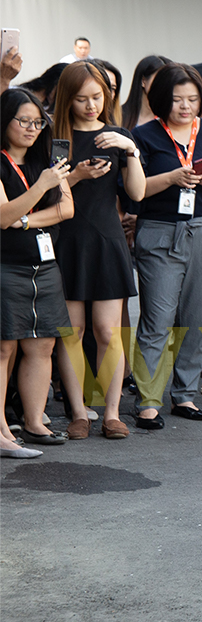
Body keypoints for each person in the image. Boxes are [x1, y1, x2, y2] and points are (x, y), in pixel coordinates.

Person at [129, 64, 202, 428]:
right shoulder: (143, 136)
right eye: (177, 99)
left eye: (193, 99)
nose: (185, 106)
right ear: (160, 100)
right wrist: (171, 177)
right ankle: (148, 400)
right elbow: (132, 193)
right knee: (157, 319)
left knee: (198, 318)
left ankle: (184, 394)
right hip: (160, 232)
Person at [50, 62, 145, 438]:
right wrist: (76, 175)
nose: (91, 106)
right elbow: (44, 194)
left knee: (108, 331)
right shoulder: (56, 137)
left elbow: (137, 193)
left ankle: (112, 413)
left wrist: (131, 149)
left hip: (106, 240)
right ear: (66, 100)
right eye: (81, 99)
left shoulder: (117, 136)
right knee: (71, 331)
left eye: (97, 97)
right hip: (67, 241)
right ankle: (78, 412)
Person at [1, 90, 75, 454]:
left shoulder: (46, 160)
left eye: (38, 122)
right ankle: (2, 428)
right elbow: (2, 216)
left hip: (44, 266)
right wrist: (41, 187)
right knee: (4, 347)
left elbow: (67, 209)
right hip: (6, 265)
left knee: (43, 343)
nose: (32, 128)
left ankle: (34, 421)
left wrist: (26, 219)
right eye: (24, 121)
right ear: (5, 121)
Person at [123, 55, 172, 128]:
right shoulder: (118, 116)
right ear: (143, 81)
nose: (162, 85)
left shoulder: (169, 120)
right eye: (158, 79)